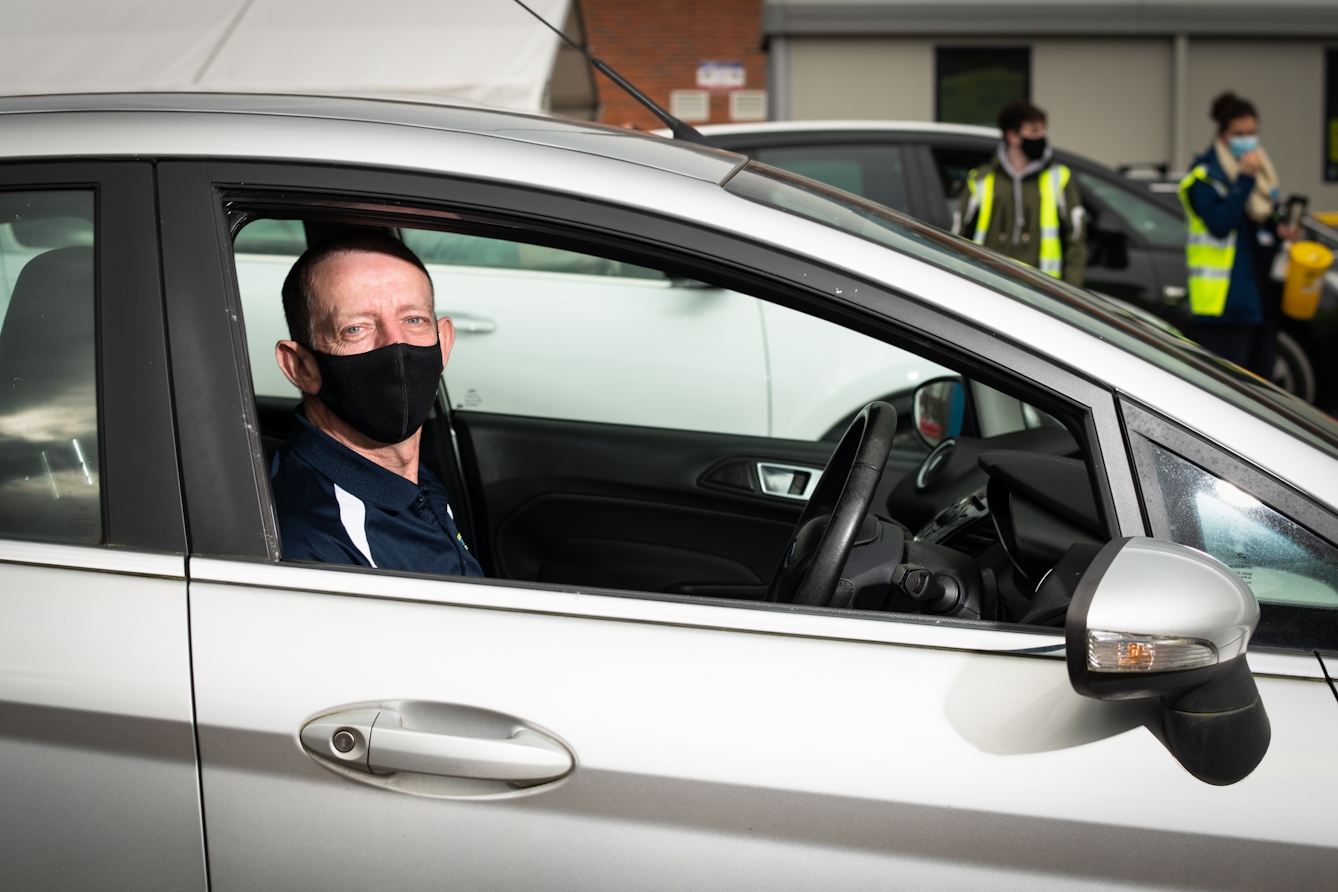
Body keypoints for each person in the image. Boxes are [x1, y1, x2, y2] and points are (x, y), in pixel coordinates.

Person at [269, 227, 483, 577]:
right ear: (301, 367)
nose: (395, 345)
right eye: (356, 328)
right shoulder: (317, 547)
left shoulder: (406, 480)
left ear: (443, 342)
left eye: (414, 320)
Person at [1178, 91, 1298, 377]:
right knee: (1228, 391)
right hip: (1226, 308)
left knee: (1262, 392)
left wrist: (1279, 231)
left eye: (1252, 133)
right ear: (1222, 134)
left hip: (1261, 302)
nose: (1248, 140)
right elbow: (1220, 224)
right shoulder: (1205, 176)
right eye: (1239, 133)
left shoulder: (1263, 174)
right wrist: (1243, 180)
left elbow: (1257, 221)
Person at [954, 100, 1087, 286]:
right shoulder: (981, 179)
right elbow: (957, 238)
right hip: (989, 287)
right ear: (1012, 136)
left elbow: (1076, 240)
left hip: (1044, 291)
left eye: (1043, 130)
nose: (1042, 137)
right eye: (1034, 131)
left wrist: (1072, 289)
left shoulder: (1058, 177)